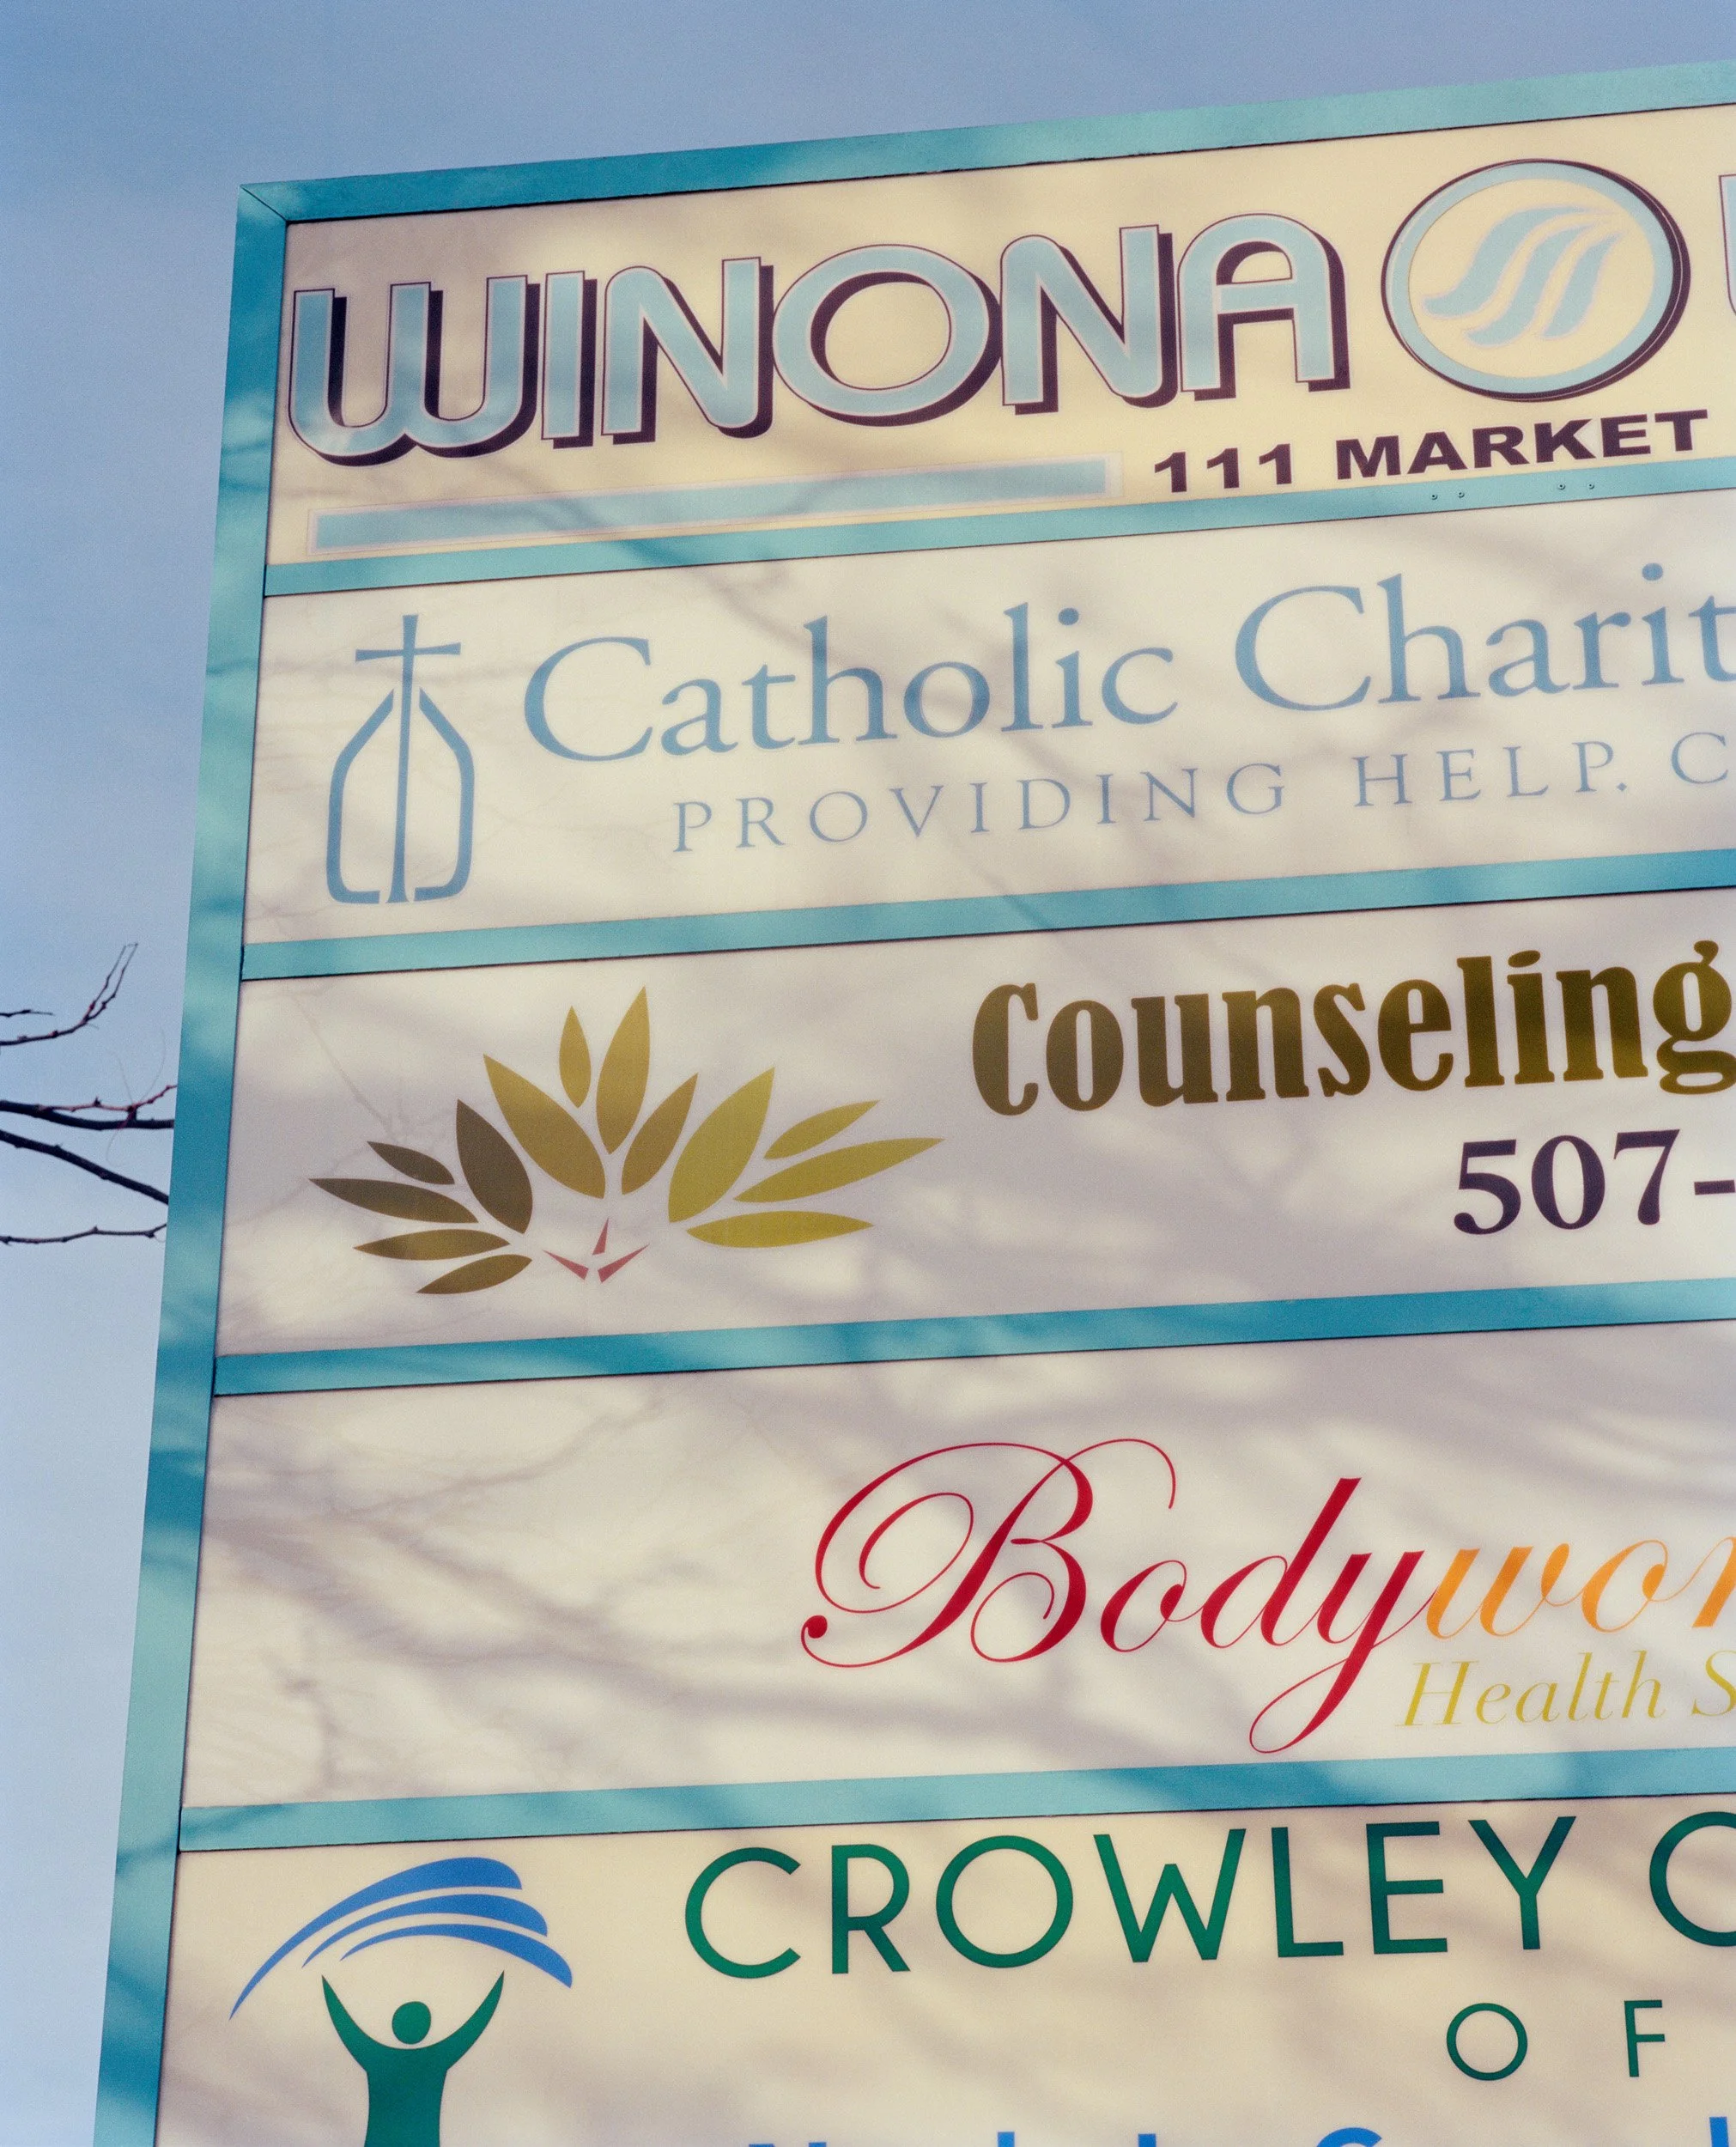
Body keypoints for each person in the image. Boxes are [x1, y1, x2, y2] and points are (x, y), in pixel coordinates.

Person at [321, 1974, 503, 2147]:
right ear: (426, 2026)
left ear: (394, 2025)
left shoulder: (375, 2056)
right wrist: (494, 1993)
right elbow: (473, 2028)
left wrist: (329, 1992)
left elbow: (346, 2028)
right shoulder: (438, 2057)